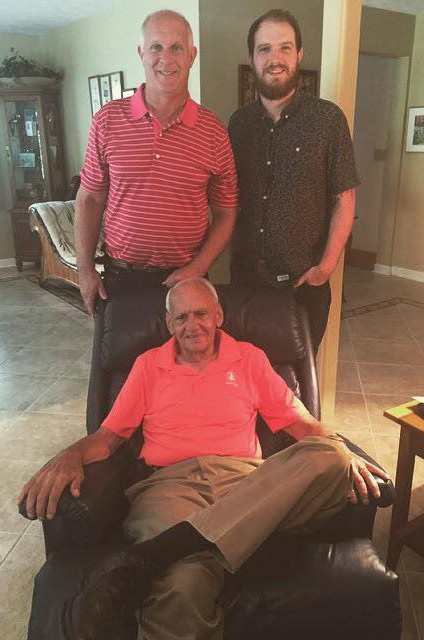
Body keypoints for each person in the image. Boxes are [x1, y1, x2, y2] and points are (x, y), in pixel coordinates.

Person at [18, 278, 388, 640]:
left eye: (201, 314)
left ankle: (154, 554)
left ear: (219, 316)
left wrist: (341, 451)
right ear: (169, 324)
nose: (192, 326)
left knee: (330, 454)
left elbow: (303, 424)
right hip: (171, 487)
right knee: (184, 586)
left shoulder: (250, 359)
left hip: (250, 483)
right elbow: (108, 437)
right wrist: (70, 455)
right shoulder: (148, 365)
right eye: (181, 318)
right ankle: (183, 548)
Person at [75, 10, 238, 315]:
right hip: (121, 279)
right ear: (141, 53)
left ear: (192, 56)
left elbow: (226, 211)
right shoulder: (107, 120)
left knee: (189, 351)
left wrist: (199, 267)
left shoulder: (214, 131)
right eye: (156, 47)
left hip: (186, 281)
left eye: (176, 48)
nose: (166, 59)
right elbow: (90, 199)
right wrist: (84, 270)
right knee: (118, 349)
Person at [228, 9, 359, 352]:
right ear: (252, 58)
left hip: (303, 287)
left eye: (285, 48)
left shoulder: (328, 120)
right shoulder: (238, 124)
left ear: (299, 54)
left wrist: (325, 268)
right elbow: (226, 199)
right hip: (245, 284)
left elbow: (345, 200)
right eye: (265, 49)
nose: (275, 59)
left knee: (297, 381)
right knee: (244, 375)